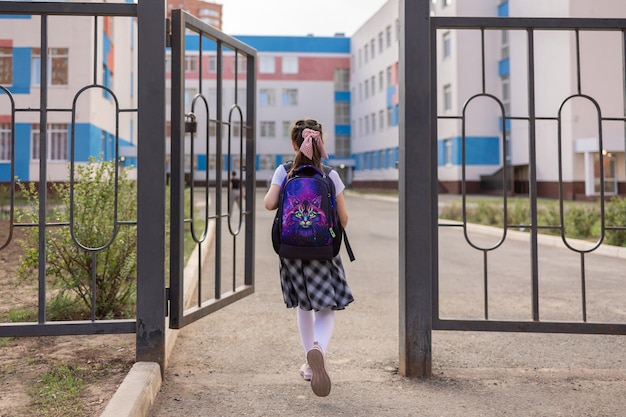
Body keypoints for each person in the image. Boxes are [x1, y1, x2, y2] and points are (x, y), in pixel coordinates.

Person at [264, 118, 354, 397]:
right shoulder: (330, 175)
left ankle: (309, 363)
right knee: (325, 308)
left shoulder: (284, 172)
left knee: (304, 306)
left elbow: (268, 204)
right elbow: (344, 220)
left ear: (294, 143)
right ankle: (319, 351)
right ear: (321, 141)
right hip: (323, 252)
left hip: (291, 251)